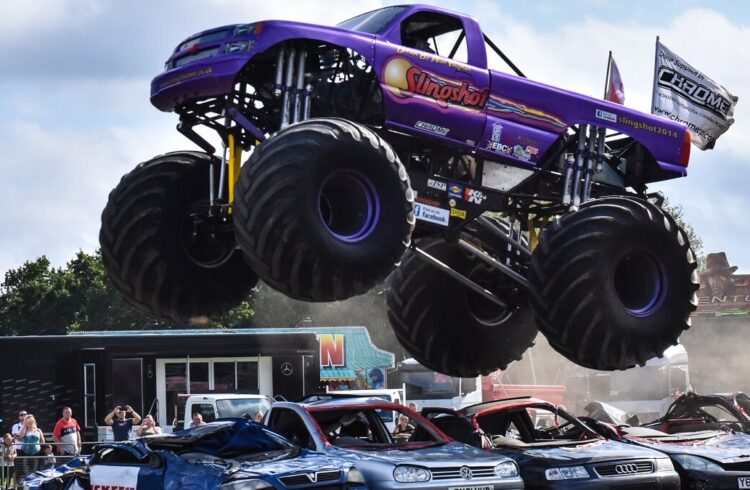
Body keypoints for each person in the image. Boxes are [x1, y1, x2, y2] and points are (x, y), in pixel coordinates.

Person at [16, 414, 44, 480]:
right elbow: (20, 437)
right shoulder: (24, 429)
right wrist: (24, 426)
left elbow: (42, 442)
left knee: (35, 471)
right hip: (25, 454)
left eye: (31, 422)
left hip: (36, 454)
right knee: (26, 472)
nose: (29, 424)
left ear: (33, 422)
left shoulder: (38, 430)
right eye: (28, 422)